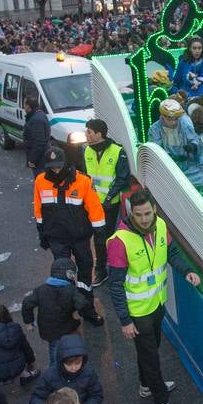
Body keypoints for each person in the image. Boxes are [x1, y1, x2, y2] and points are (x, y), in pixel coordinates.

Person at [106, 188, 200, 404]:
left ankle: (146, 384)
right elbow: (115, 284)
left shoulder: (159, 225)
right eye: (139, 215)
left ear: (154, 210)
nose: (145, 219)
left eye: (148, 213)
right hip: (137, 313)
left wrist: (187, 270)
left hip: (158, 303)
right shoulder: (119, 242)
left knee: (150, 350)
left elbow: (171, 253)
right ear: (131, 214)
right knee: (151, 357)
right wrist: (125, 320)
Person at [32, 146, 105, 323]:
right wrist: (42, 233)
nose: (56, 170)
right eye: (52, 167)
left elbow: (94, 208)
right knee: (63, 276)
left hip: (80, 237)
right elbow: (39, 209)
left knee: (85, 274)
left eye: (59, 166)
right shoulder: (40, 181)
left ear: (66, 163)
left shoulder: (83, 181)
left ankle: (87, 309)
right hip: (56, 237)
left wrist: (100, 233)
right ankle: (67, 313)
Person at [83, 119, 129, 283]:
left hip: (109, 205)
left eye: (89, 132)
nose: (86, 135)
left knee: (103, 238)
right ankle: (104, 269)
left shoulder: (117, 151)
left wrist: (109, 197)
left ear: (99, 134)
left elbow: (122, 178)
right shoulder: (87, 151)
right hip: (92, 204)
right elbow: (85, 176)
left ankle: (103, 271)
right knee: (98, 237)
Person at [21, 256, 82, 380]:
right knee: (67, 350)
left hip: (48, 330)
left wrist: (29, 321)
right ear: (69, 274)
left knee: (53, 348)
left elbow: (27, 303)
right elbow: (83, 303)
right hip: (67, 328)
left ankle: (54, 372)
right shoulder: (71, 290)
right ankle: (61, 374)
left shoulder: (40, 290)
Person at [29, 333, 103, 404]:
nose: (74, 367)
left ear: (83, 359)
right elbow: (36, 397)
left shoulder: (89, 374)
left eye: (78, 363)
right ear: (61, 361)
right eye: (69, 364)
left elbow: (96, 395)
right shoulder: (49, 376)